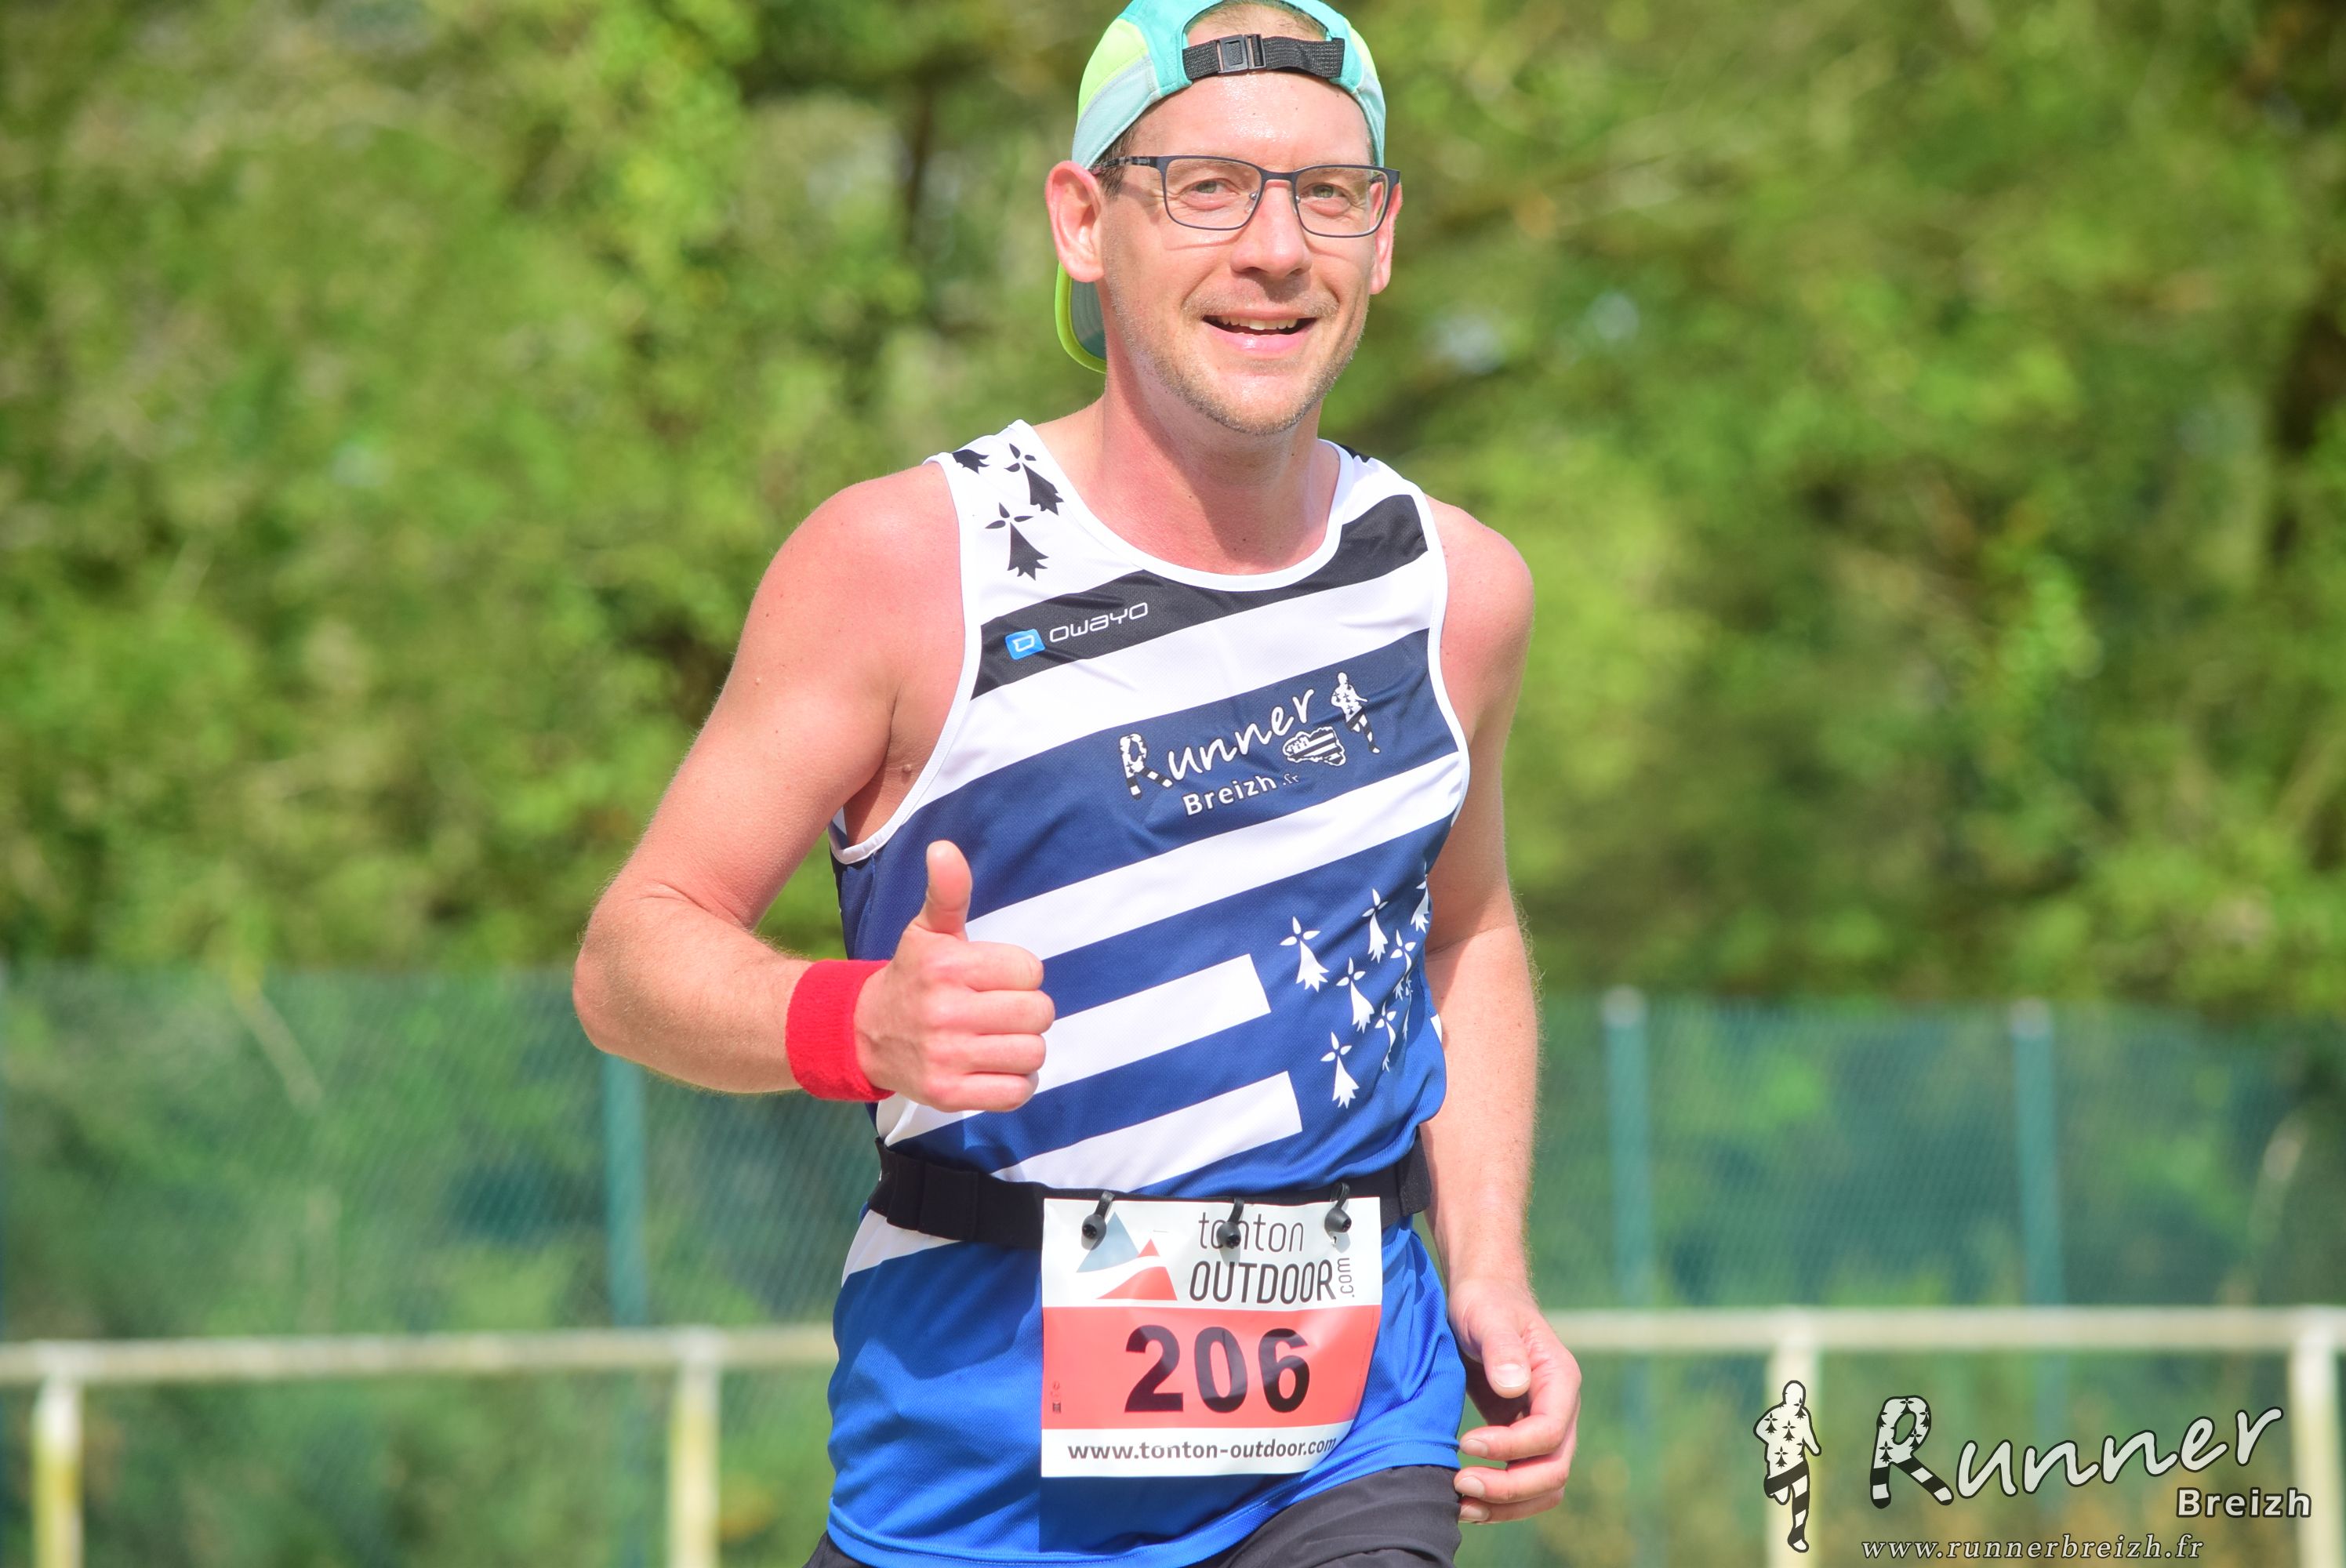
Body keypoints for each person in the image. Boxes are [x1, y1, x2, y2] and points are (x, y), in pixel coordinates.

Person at [572, 2, 1579, 1563]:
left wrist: (1490, 1267)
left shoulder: (1456, 591)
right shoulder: (905, 565)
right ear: (1081, 221)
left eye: (1326, 194)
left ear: (1381, 238)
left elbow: (1468, 933)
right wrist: (857, 1023)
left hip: (1349, 1438)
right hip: (971, 1476)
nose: (1274, 248)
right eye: (1206, 187)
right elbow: (632, 952)